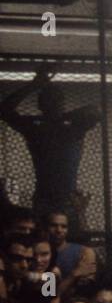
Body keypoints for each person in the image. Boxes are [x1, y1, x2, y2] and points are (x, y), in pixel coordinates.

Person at [0, 69, 100, 220]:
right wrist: (34, 85)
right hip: (46, 197)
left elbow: (96, 111)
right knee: (43, 238)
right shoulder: (36, 128)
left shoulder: (70, 128)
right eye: (50, 101)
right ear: (41, 105)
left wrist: (59, 119)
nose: (54, 104)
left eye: (57, 101)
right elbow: (3, 110)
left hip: (67, 199)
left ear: (62, 104)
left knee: (71, 238)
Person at [45, 211, 97, 297]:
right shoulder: (41, 254)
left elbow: (83, 289)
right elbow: (48, 293)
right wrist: (75, 274)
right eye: (54, 226)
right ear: (46, 227)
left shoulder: (84, 252)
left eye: (63, 226)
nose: (59, 230)